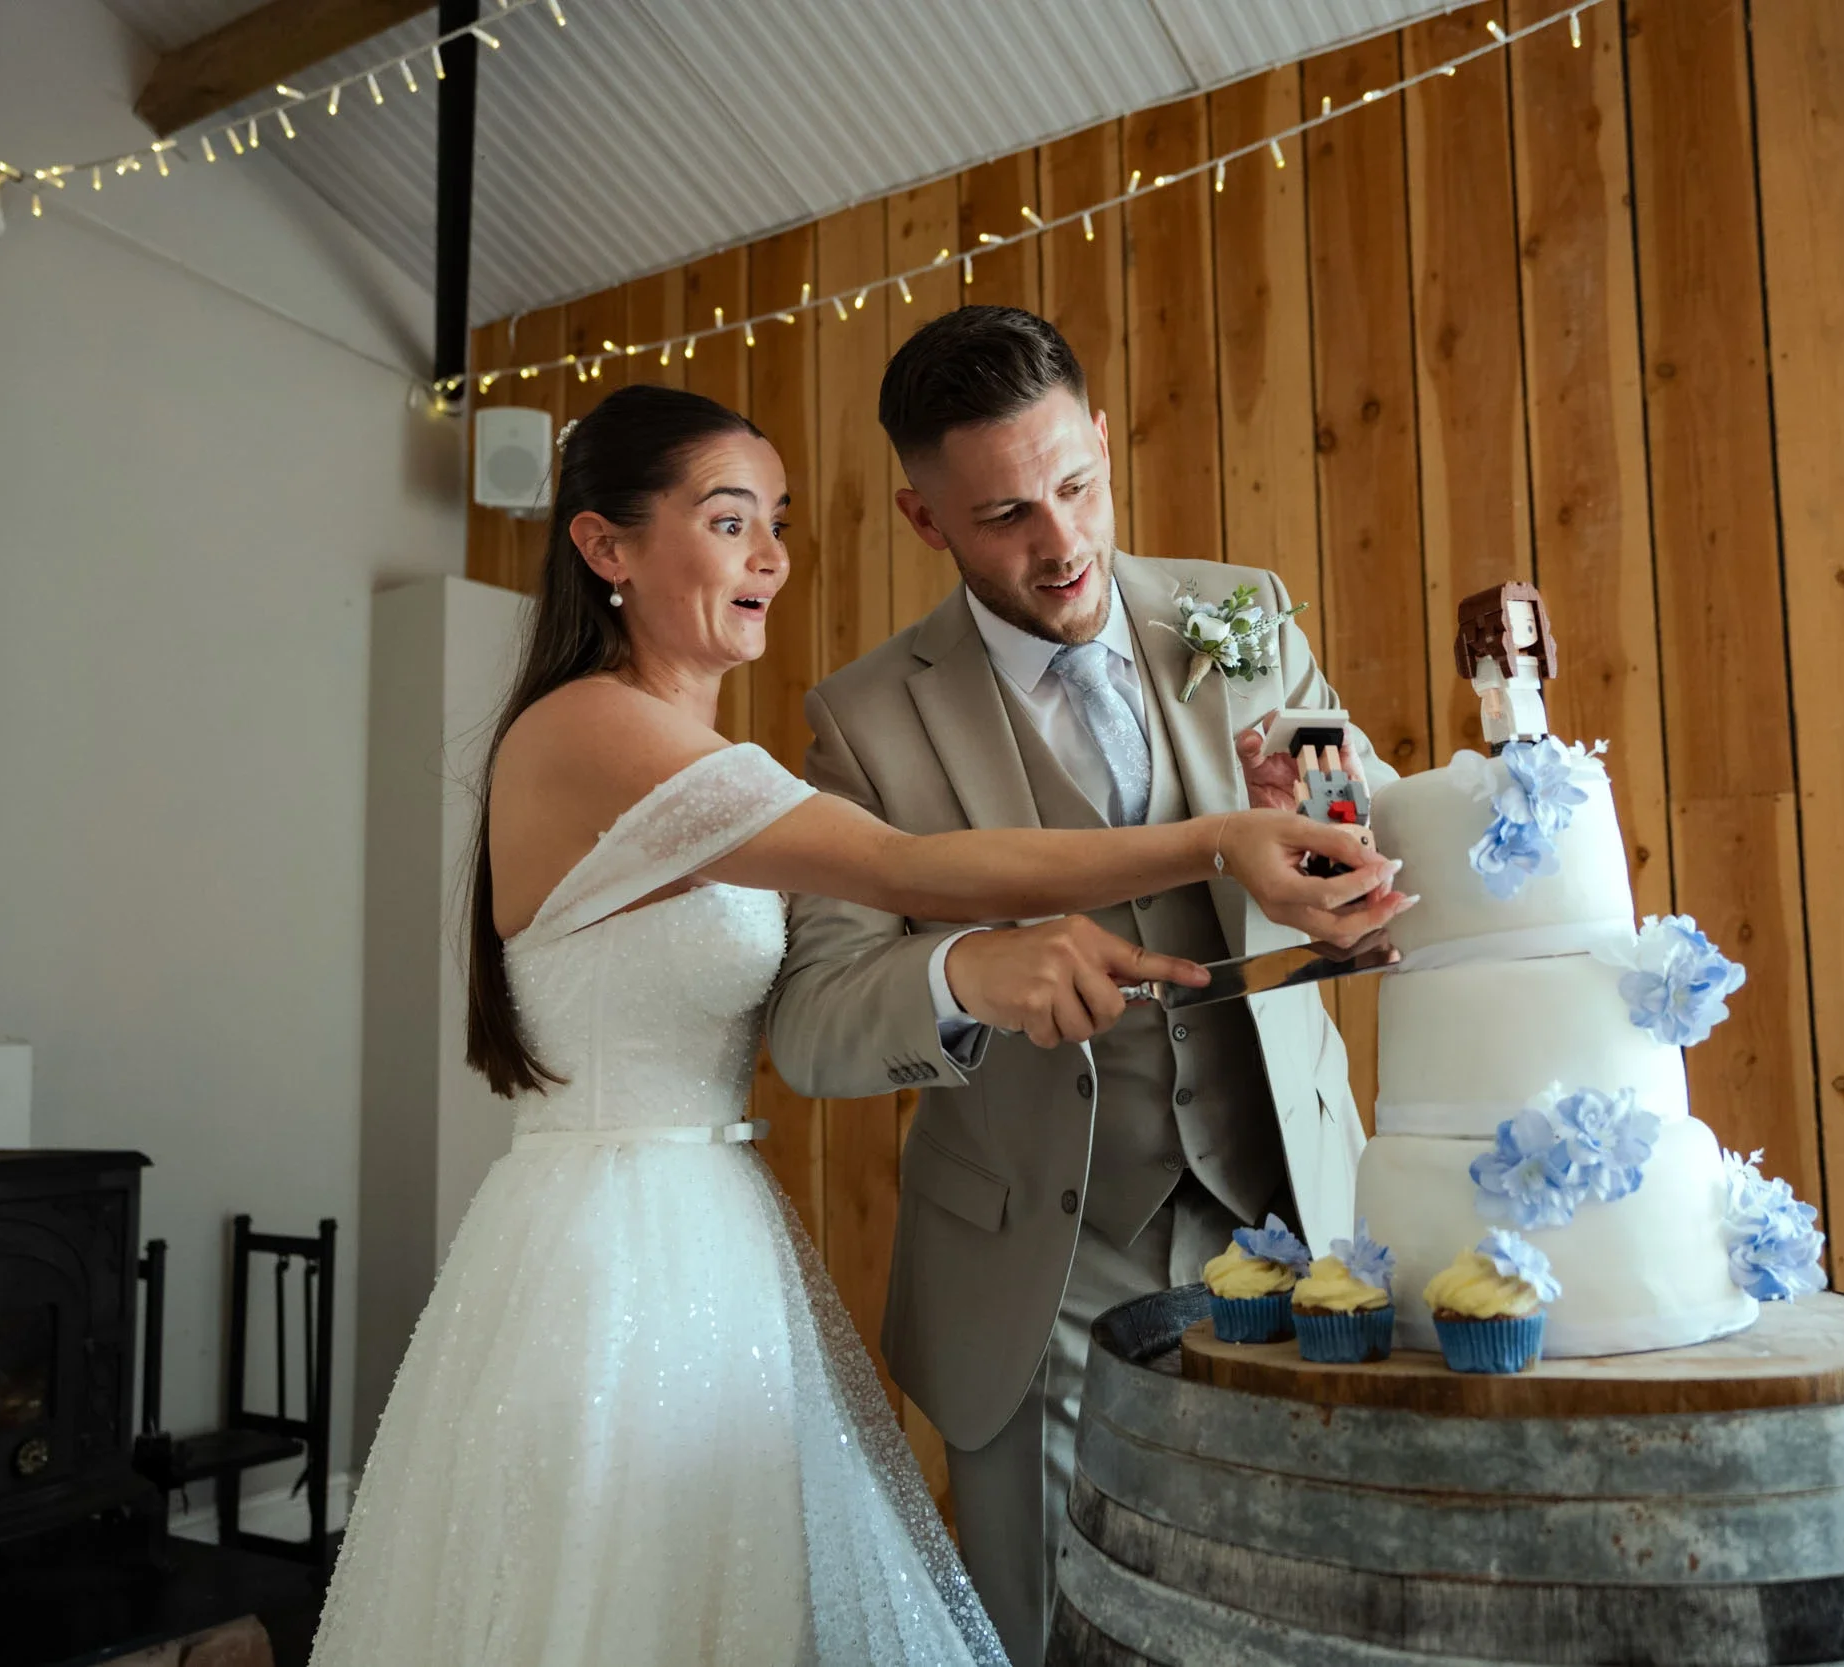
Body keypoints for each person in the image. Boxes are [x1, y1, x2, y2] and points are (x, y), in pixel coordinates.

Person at [307, 381, 1408, 1666]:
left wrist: (1322, 843)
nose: (771, 553)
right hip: (616, 1255)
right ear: (605, 546)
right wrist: (1213, 835)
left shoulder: (677, 735)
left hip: (712, 1231)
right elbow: (906, 871)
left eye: (774, 519)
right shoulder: (596, 729)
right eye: (729, 522)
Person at [764, 305, 1404, 1663]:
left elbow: (1375, 862)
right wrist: (962, 970)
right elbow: (813, 1024)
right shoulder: (867, 720)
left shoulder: (1248, 613)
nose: (1059, 543)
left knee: (1310, 1607)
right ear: (923, 517)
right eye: (1003, 513)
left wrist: (1354, 872)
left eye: (1076, 484)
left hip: (1296, 1208)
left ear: (1105, 440)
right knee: (1054, 1632)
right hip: (1036, 1268)